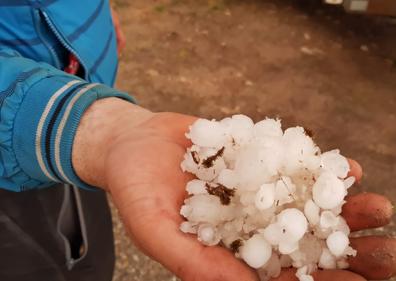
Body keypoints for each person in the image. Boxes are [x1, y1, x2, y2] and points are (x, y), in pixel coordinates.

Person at [0, 1, 395, 281]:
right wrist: (73, 124)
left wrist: (96, 12)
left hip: (76, 124)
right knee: (36, 264)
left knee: (89, 258)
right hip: (18, 159)